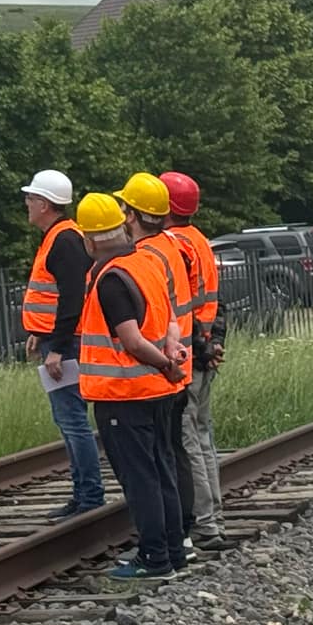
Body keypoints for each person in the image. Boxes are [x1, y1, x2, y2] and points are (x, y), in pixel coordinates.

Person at [74, 191, 189, 579]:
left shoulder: (110, 280)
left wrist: (164, 365)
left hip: (125, 396)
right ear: (122, 227)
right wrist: (172, 354)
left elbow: (132, 339)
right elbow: (171, 318)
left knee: (140, 478)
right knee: (162, 470)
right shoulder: (147, 261)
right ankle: (174, 553)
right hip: (156, 393)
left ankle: (154, 557)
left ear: (88, 240)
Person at [117, 171, 195, 555]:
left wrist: (166, 360)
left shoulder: (143, 258)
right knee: (171, 452)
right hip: (176, 360)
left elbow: (143, 327)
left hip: (156, 371)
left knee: (160, 460)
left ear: (131, 215)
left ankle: (169, 540)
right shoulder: (173, 246)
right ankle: (181, 536)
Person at [20, 168, 104, 519]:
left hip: (66, 345)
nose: (26, 204)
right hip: (56, 339)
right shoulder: (59, 237)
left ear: (44, 203)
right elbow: (56, 297)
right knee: (68, 419)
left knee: (72, 421)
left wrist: (56, 346)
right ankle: (83, 494)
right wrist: (40, 332)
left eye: (30, 198)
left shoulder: (64, 241)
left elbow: (73, 298)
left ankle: (89, 496)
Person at [161, 170, 227, 552]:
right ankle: (212, 516)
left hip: (187, 352)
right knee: (202, 436)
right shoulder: (199, 240)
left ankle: (204, 523)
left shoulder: (174, 246)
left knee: (188, 441)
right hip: (203, 348)